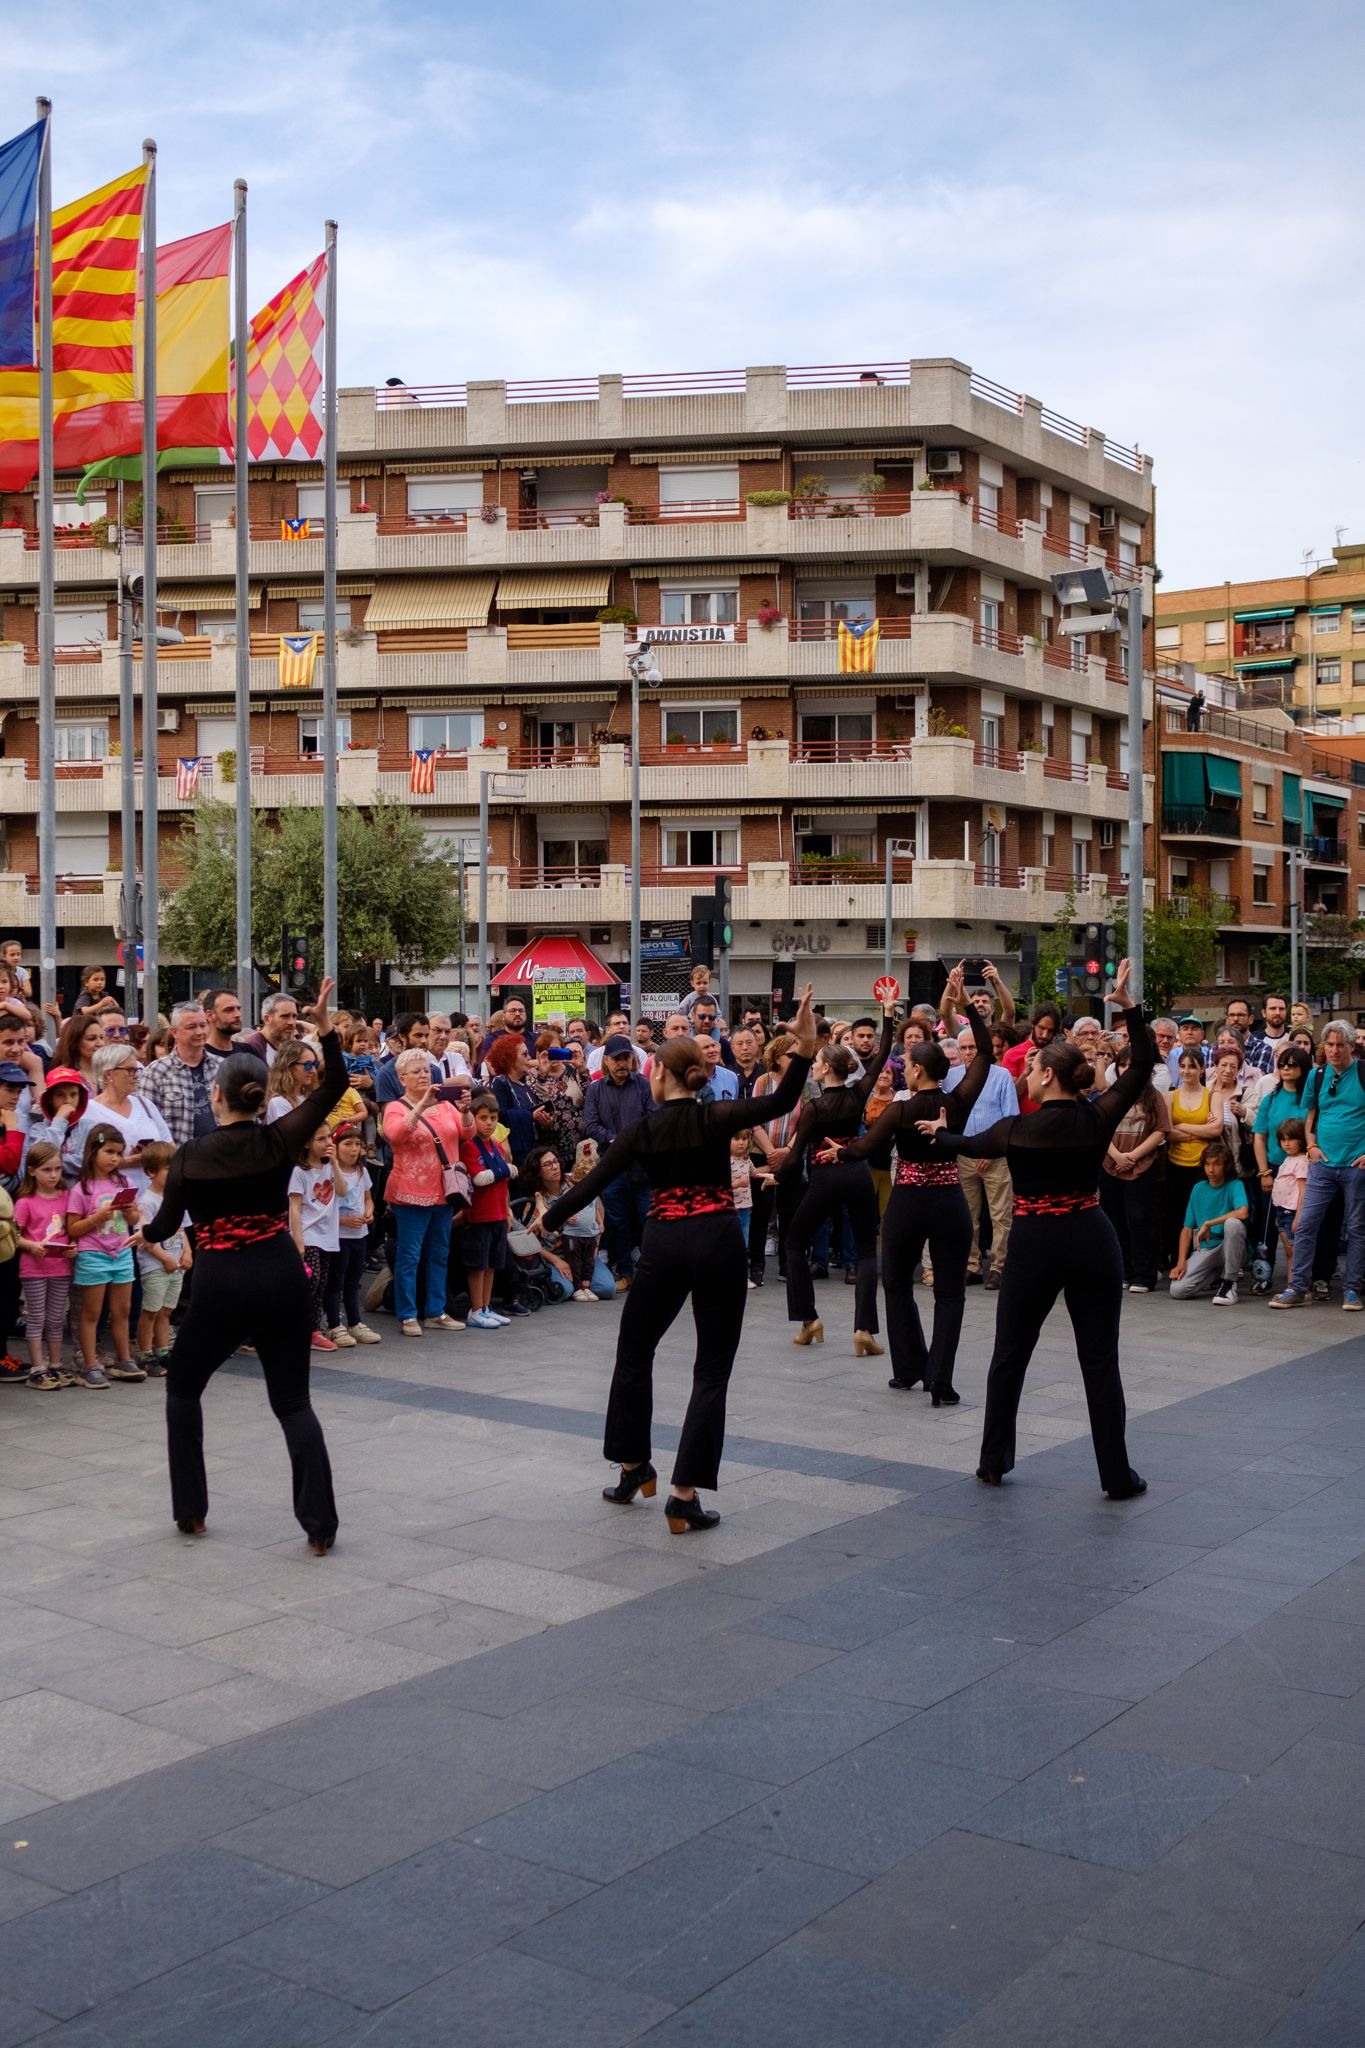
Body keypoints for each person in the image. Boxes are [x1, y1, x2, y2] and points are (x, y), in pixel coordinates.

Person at [537, 986, 817, 1534]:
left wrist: (545, 1220)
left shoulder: (641, 1130)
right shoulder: (716, 1116)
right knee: (711, 1367)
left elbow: (588, 1183)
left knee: (634, 1351)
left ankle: (632, 1465)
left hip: (664, 1242)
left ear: (659, 1076)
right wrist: (803, 1047)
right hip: (716, 1240)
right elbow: (782, 1102)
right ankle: (682, 1494)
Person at [920, 959, 1150, 1500]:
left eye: (1031, 1066)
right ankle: (1116, 1475)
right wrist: (1129, 1007)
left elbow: (969, 1146)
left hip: (1034, 1242)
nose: (1022, 1070)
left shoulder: (1017, 1128)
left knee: (1010, 1354)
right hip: (1091, 1236)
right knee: (1099, 1360)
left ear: (1047, 1075)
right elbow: (1141, 1068)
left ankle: (993, 1461)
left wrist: (939, 1132)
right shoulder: (1098, 1116)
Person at [140, 979, 345, 1550]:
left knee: (183, 1388)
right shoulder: (280, 1140)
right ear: (259, 1099)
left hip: (221, 1283)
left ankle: (192, 1512)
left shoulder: (189, 1156)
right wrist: (325, 1030)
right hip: (280, 1276)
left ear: (218, 1098)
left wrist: (142, 1230)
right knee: (294, 1403)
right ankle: (321, 1528)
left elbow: (164, 1225)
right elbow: (336, 1086)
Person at [832, 991, 993, 1401]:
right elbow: (986, 1054)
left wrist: (841, 1151)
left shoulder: (900, 1111)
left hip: (908, 1201)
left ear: (919, 1070)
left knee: (898, 1283)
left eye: (906, 1064)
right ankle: (941, 1379)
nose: (903, 1067)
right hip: (949, 1201)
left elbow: (865, 1149)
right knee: (950, 1292)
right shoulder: (957, 1101)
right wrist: (967, 1009)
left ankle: (908, 1369)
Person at [780, 1005, 894, 1355]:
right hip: (856, 1173)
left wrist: (772, 1174)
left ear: (826, 1068)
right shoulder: (859, 1094)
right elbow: (883, 1053)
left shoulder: (814, 1108)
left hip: (826, 1177)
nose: (813, 1066)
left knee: (795, 1244)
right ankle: (864, 1331)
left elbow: (796, 1153)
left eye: (815, 1063)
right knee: (864, 1251)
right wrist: (888, 1016)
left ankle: (808, 1318)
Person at [1269, 1019, 1365, 1312]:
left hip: (1355, 1164)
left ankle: (1352, 1290)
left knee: (1358, 1228)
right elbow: (1311, 1115)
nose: (1334, 1050)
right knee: (1306, 1223)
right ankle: (1298, 1287)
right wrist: (1310, 1145)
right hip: (1322, 1164)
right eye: (1330, 1044)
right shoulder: (1317, 1075)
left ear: (1351, 1046)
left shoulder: (1362, 1071)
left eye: (1340, 1045)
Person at [381, 1047, 468, 1338]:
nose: (423, 1075)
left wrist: (466, 1113)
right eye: (416, 1071)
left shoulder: (446, 1106)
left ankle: (435, 1311)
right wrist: (421, 1105)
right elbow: (395, 1134)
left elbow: (466, 1134)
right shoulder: (395, 1107)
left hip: (444, 1190)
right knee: (410, 1255)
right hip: (410, 1192)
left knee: (440, 1254)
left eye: (426, 1070)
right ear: (402, 1078)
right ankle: (407, 1314)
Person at [944, 999, 1020, 1290]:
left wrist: (989, 1149)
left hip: (996, 1156)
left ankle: (1000, 1267)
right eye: (962, 1048)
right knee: (966, 1215)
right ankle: (971, 1265)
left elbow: (1010, 1117)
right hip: (963, 1155)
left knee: (1001, 1215)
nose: (967, 1053)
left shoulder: (1000, 1076)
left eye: (972, 1048)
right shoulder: (950, 1078)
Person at [66, 1123, 143, 1388]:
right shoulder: (82, 1189)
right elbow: (72, 1228)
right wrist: (97, 1218)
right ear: (93, 1151)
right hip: (93, 1254)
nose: (114, 1158)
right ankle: (89, 1364)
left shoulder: (124, 1182)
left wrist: (132, 1210)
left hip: (121, 1252)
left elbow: (133, 1218)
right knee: (91, 1312)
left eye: (119, 1153)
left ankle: (124, 1360)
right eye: (109, 1151)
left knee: (122, 1310)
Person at [585, 1034, 654, 1285]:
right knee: (617, 1220)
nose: (622, 1063)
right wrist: (613, 1139)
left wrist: (632, 1140)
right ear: (606, 1061)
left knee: (649, 1217)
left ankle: (651, 1270)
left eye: (626, 1058)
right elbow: (590, 1125)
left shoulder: (643, 1085)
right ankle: (625, 1271)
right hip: (612, 1165)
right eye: (617, 1059)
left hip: (642, 1163)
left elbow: (653, 1117)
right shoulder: (595, 1089)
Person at [1100, 1048, 1170, 1293]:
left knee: (1140, 1219)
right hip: (1111, 1166)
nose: (1126, 1069)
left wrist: (1132, 1156)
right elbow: (1100, 1129)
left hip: (1142, 1166)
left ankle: (1143, 1274)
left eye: (1133, 1064)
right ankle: (1122, 1271)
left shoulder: (1153, 1097)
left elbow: (1161, 1131)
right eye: (1122, 1064)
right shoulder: (1110, 1095)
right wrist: (1117, 1156)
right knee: (1114, 1220)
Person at [72, 1043, 173, 1195]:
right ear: (109, 1074)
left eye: (137, 1069)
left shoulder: (145, 1104)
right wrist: (129, 1161)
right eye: (129, 1070)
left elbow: (169, 1146)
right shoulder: (88, 1113)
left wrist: (151, 1154)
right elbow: (84, 1160)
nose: (136, 1075)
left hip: (155, 1197)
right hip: (111, 1200)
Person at [14, 1141, 75, 1389]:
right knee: (37, 1317)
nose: (53, 1175)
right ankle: (38, 1367)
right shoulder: (25, 1201)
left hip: (60, 1267)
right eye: (46, 1170)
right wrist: (31, 1246)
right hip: (34, 1269)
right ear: (31, 1171)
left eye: (57, 1169)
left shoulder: (66, 1196)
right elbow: (13, 1235)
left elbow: (70, 1230)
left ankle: (56, 1364)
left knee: (56, 1317)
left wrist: (72, 1247)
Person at [134, 1142, 191, 1375]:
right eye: (168, 1169)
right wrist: (164, 1258)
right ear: (151, 1172)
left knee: (166, 1310)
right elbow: (145, 1237)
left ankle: (163, 1350)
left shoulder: (177, 1197)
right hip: (156, 1265)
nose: (174, 1174)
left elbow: (184, 1228)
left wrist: (187, 1252)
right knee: (151, 1310)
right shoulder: (146, 1201)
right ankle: (145, 1353)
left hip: (176, 1264)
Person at [460, 1090, 515, 1329]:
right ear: (474, 1119)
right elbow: (480, 1178)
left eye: (493, 1118)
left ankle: (485, 1307)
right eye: (483, 1118)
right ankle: (474, 1310)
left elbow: (501, 1182)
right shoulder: (470, 1147)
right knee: (478, 1265)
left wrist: (507, 1211)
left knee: (492, 1264)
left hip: (498, 1214)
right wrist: (506, 1170)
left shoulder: (496, 1146)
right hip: (479, 1215)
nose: (489, 1123)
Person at [1169, 1142, 1249, 1304]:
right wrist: (1180, 1262)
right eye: (1207, 1164)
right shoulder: (1198, 1188)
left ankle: (1229, 1283)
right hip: (1206, 1248)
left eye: (1217, 1164)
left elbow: (1243, 1212)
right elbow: (1186, 1228)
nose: (1211, 1170)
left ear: (1226, 1166)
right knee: (1178, 1290)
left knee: (1232, 1224)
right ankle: (1216, 1273)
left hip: (1231, 1245)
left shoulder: (1235, 1185)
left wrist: (1209, 1223)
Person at [1164, 1048, 1222, 1269]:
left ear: (1201, 1069)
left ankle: (1205, 1262)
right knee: (1177, 1215)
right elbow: (1168, 1131)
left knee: (1204, 1214)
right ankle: (1178, 1260)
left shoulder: (1212, 1095)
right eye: (1183, 1066)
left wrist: (1183, 1128)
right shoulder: (1170, 1095)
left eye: (1192, 1066)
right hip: (1176, 1164)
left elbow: (1215, 1129)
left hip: (1204, 1165)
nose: (1186, 1071)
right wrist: (1200, 1129)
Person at [290, 1123, 344, 1351]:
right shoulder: (299, 1171)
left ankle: (313, 1329)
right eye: (321, 1139)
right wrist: (298, 1239)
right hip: (309, 1233)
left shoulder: (329, 1167)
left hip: (328, 1234)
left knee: (321, 1283)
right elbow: (294, 1207)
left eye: (329, 1138)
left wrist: (335, 1164)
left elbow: (342, 1190)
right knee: (310, 1281)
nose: (327, 1143)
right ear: (307, 1143)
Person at [324, 1124, 379, 1345]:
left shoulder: (361, 1171)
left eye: (358, 1144)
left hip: (359, 1235)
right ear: (335, 1147)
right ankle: (334, 1324)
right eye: (348, 1144)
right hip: (339, 1235)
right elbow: (323, 1208)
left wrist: (369, 1212)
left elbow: (368, 1198)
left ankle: (355, 1322)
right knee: (335, 1281)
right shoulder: (329, 1173)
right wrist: (344, 1220)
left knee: (353, 1281)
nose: (354, 1149)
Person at [142, 1004, 224, 1147]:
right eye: (191, 1027)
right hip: (177, 1161)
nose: (199, 1032)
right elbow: (146, 1123)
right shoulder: (155, 1072)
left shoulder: (223, 1066)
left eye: (203, 1025)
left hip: (220, 1157)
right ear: (174, 1032)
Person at [22, 1065, 90, 1184]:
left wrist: (51, 1164)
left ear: (81, 1097)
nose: (68, 1100)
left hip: (80, 1196)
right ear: (49, 1098)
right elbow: (43, 1158)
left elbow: (86, 1163)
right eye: (60, 1095)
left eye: (73, 1094)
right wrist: (59, 1121)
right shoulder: (37, 1130)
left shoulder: (90, 1127)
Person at [1270, 1119, 1310, 1292]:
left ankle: (1297, 1287)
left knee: (1294, 1251)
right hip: (1281, 1211)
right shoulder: (1288, 1160)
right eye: (1283, 1139)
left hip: (1292, 1212)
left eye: (1291, 1139)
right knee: (1289, 1251)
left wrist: (1299, 1217)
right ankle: (1292, 1285)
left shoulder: (1302, 1161)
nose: (1286, 1143)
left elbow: (1303, 1191)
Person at [1002, 1002, 1063, 1110]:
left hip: (1051, 1119)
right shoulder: (1012, 1054)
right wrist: (1026, 1073)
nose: (1044, 1035)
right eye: (1041, 1028)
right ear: (1033, 1024)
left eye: (1050, 1031)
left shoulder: (1058, 1055)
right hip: (1024, 1121)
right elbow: (1008, 1098)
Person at [235, 991, 299, 1069]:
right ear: (267, 1019)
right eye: (285, 1016)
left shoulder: (291, 1048)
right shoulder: (252, 1050)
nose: (291, 1022)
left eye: (294, 1016)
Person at [53, 1011, 105, 1091]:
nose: (100, 1043)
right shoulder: (62, 1074)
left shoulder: (110, 1071)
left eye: (101, 1037)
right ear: (75, 1042)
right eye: (91, 1038)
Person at [1246, 993, 1289, 1075]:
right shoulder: (1254, 1040)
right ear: (1263, 1012)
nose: (1277, 1012)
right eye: (1273, 1008)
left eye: (1281, 1009)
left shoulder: (1294, 1037)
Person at [202, 988, 242, 1057]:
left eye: (238, 1009)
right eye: (229, 1010)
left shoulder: (249, 1051)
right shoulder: (201, 1057)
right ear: (210, 1015)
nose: (238, 1014)